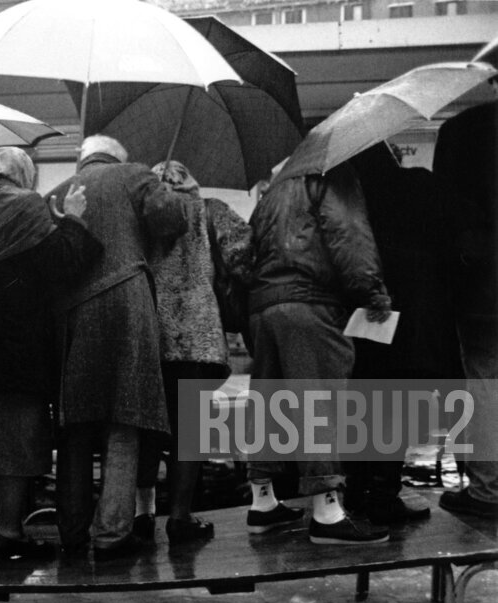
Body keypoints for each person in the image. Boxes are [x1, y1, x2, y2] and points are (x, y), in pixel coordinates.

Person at [47, 135, 189, 561]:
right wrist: (162, 188)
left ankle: (71, 533)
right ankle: (111, 534)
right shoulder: (135, 174)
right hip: (126, 304)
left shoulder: (55, 193)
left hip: (71, 318)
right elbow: (171, 220)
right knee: (124, 418)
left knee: (75, 426)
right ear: (118, 157)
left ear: (83, 159)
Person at [0, 147, 100, 559]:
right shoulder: (25, 205)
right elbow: (61, 264)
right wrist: (73, 218)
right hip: (19, 341)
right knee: (16, 439)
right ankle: (10, 534)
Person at [245, 161, 392, 544]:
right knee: (319, 404)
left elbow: (247, 252)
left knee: (269, 404)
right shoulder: (332, 176)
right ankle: (327, 513)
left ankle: (263, 503)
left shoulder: (273, 191)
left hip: (264, 307)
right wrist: (372, 292)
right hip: (310, 302)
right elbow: (348, 235)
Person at [346, 143, 460, 524]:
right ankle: (384, 494)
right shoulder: (419, 185)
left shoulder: (355, 200)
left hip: (370, 312)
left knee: (366, 405)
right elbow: (447, 240)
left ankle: (359, 491)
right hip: (418, 314)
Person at [134, 160, 238, 546]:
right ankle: (179, 517)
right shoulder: (210, 210)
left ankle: (141, 515)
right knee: (189, 434)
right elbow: (243, 255)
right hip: (198, 337)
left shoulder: (141, 218)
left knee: (147, 429)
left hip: (150, 335)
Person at [433, 101, 498, 520]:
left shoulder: (465, 129)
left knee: (485, 386)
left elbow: (444, 212)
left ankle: (488, 490)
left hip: (484, 287)